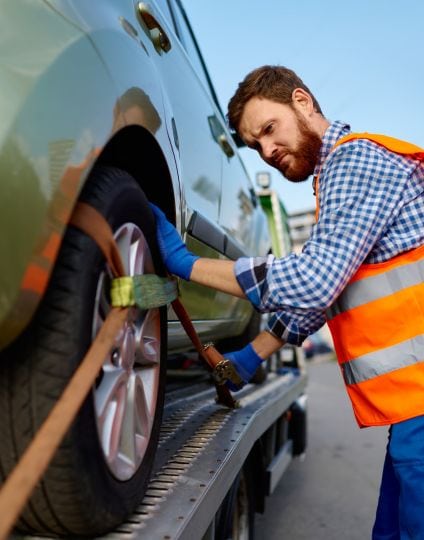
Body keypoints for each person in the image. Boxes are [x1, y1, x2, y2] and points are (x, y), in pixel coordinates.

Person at [150, 65, 424, 539]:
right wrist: (253, 354)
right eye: (256, 145)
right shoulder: (335, 178)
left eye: (269, 130)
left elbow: (315, 281)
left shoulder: (356, 160)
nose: (267, 151)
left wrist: (187, 264)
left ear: (301, 101)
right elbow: (327, 296)